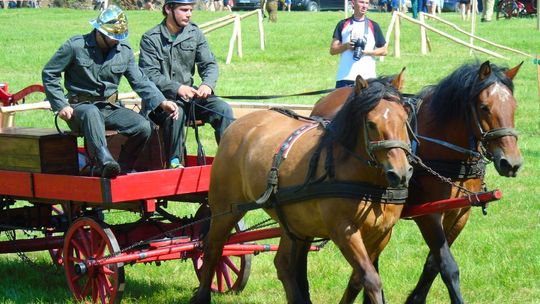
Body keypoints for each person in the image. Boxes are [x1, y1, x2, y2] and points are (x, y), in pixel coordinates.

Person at [42, 5, 170, 178]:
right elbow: (50, 73)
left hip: (108, 108)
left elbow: (140, 81)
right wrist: (61, 105)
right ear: (99, 31)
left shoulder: (124, 51)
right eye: (112, 37)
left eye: (119, 36)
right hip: (79, 109)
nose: (116, 40)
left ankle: (122, 167)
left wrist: (161, 101)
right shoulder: (76, 46)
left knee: (143, 126)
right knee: (91, 111)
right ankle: (104, 162)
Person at [139, 0, 233, 169]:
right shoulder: (150, 38)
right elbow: (149, 75)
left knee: (222, 109)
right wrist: (178, 88)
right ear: (168, 9)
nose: (189, 14)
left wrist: (207, 85)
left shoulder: (195, 33)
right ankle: (175, 162)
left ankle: (230, 160)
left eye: (191, 9)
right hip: (162, 102)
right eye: (184, 10)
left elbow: (209, 64)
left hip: (191, 98)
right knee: (176, 112)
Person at [330, 0, 387, 88]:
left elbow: (384, 50)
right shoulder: (343, 24)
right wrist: (346, 46)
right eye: (361, 2)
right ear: (353, 3)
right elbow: (332, 50)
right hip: (345, 77)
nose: (364, 6)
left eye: (367, 3)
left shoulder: (373, 25)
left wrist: (366, 52)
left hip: (368, 78)